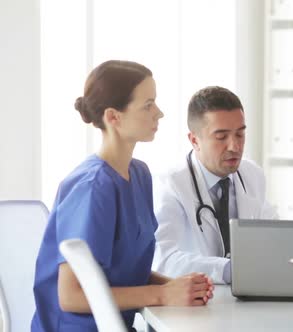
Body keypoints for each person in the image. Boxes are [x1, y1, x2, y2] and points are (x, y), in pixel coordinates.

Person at [31, 60, 215, 332]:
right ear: (113, 117)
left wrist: (178, 286)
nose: (159, 113)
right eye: (148, 105)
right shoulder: (91, 186)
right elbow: (71, 296)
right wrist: (163, 294)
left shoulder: (139, 174)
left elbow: (124, 271)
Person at [152, 86, 277, 284]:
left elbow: (274, 237)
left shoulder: (252, 174)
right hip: (194, 306)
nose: (234, 146)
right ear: (194, 140)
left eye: (240, 135)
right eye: (221, 137)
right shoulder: (170, 184)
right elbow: (163, 260)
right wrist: (229, 270)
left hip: (245, 298)